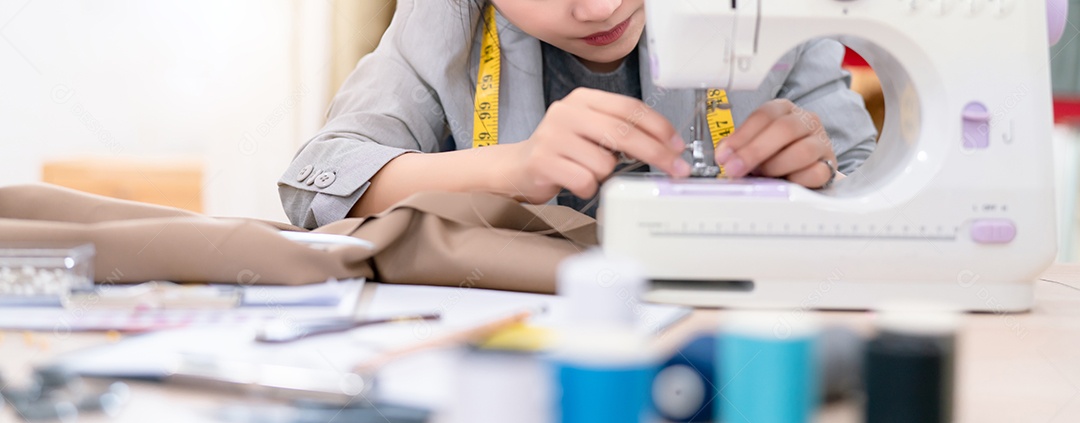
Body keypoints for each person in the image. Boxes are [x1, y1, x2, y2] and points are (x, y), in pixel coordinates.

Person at [278, 0, 877, 229]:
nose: (601, 5)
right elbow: (317, 180)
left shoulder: (770, 14)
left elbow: (872, 185)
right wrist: (508, 170)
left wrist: (820, 184)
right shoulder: (445, 22)